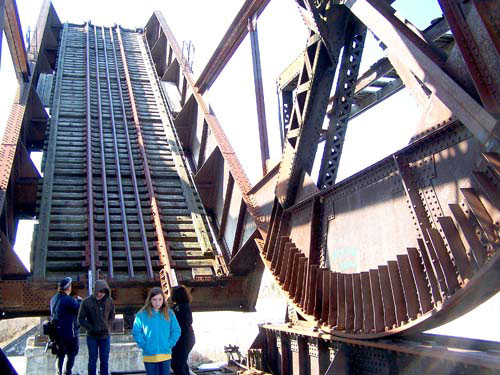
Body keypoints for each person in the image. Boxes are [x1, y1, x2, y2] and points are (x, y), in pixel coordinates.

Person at [132, 287, 181, 375]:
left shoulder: (169, 314)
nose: (157, 302)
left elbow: (176, 330)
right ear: (150, 300)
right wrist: (144, 345)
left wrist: (169, 343)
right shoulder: (142, 315)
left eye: (160, 299)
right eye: (154, 300)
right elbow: (136, 331)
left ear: (163, 299)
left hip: (165, 354)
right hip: (149, 355)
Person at [77, 279, 115, 375]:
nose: (100, 294)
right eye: (99, 291)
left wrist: (108, 325)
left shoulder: (109, 301)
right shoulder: (86, 302)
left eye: (103, 292)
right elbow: (80, 319)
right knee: (92, 360)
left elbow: (112, 315)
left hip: (105, 336)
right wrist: (90, 328)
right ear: (95, 290)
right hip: (92, 336)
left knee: (104, 360)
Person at [50, 277, 82, 375]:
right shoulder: (68, 300)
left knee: (60, 354)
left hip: (56, 333)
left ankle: (58, 373)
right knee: (71, 353)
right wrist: (80, 301)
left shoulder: (53, 299)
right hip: (68, 333)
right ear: (68, 288)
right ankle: (67, 372)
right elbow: (79, 310)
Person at [171, 285, 195, 375]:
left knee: (177, 364)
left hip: (184, 339)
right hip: (186, 338)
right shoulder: (182, 306)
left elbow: (183, 324)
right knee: (180, 363)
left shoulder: (182, 307)